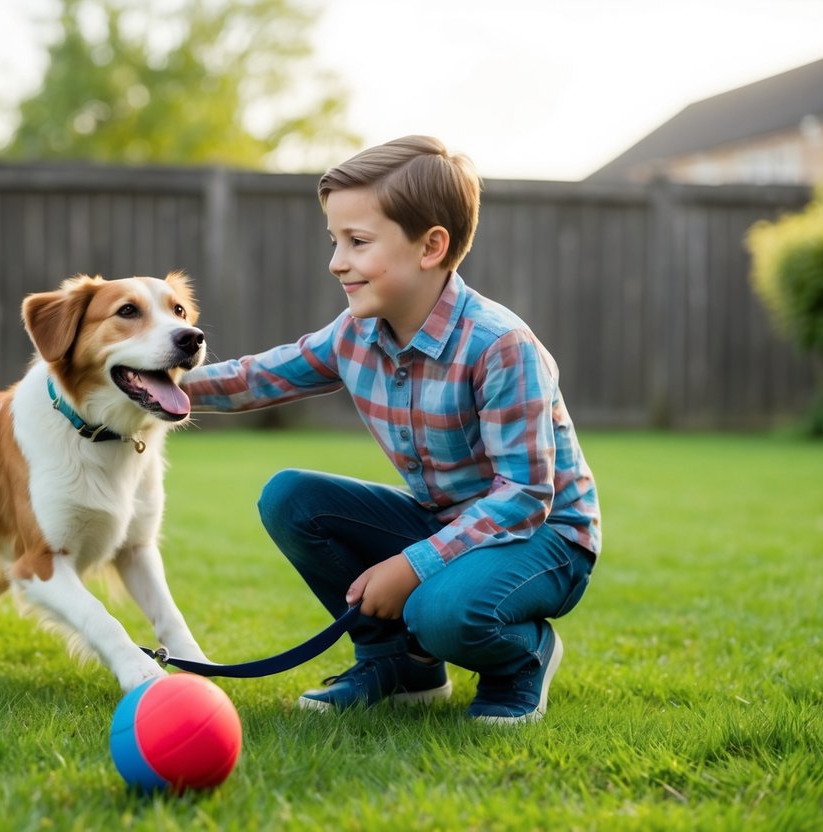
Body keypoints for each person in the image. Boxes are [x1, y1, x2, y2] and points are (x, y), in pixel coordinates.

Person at [180, 135, 600, 724]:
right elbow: (258, 377)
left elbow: (525, 497)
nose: (336, 261)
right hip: (447, 521)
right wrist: (153, 384)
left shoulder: (499, 346)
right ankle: (401, 665)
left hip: (545, 539)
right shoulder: (356, 333)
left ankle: (522, 658)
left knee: (438, 609)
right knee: (291, 498)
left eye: (357, 242)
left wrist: (412, 566)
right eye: (335, 241)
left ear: (431, 246)